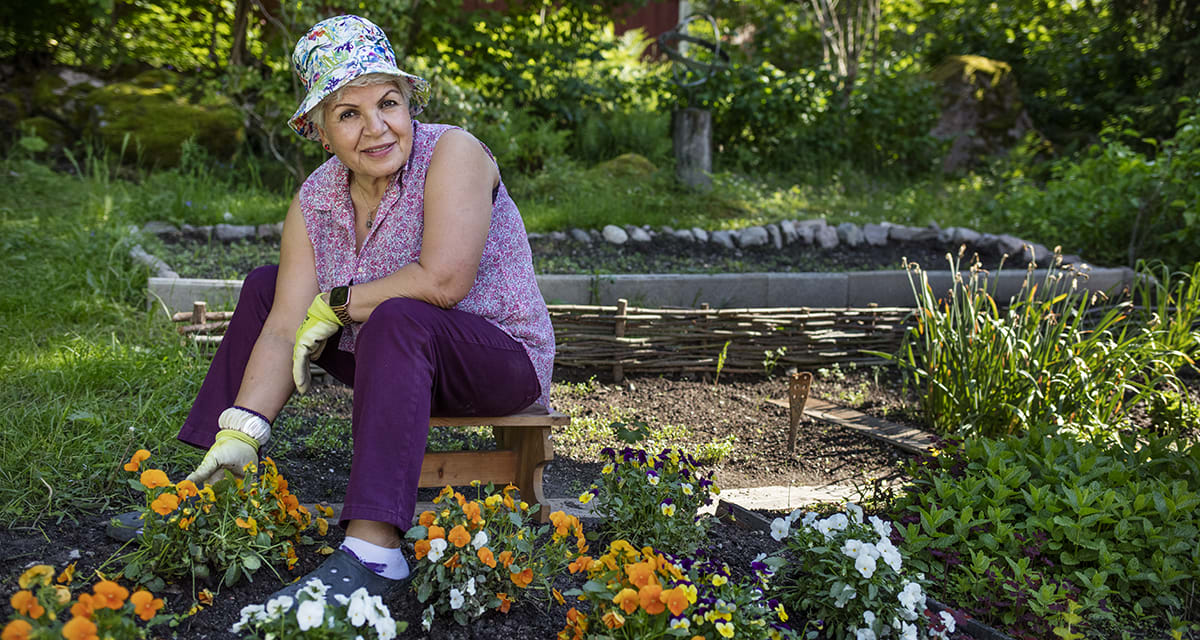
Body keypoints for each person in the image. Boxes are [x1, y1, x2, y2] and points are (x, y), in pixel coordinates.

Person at [177, 14, 555, 598]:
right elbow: (282, 324)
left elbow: (444, 282)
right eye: (348, 114)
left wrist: (337, 304)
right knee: (265, 285)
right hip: (394, 358)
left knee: (397, 314)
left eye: (389, 102)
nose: (376, 128)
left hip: (496, 361)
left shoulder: (454, 152)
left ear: (409, 105)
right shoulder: (318, 197)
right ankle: (217, 485)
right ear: (321, 131)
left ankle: (375, 551)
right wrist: (245, 429)